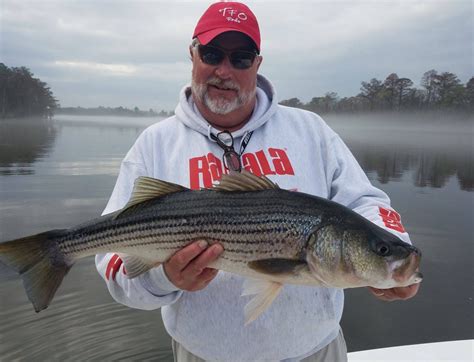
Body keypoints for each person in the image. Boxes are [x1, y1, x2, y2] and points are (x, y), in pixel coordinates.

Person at [96, 2, 420, 361]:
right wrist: (164, 279)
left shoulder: (309, 130)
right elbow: (115, 262)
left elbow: (364, 203)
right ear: (192, 54)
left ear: (257, 64)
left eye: (241, 58)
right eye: (212, 53)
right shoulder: (155, 145)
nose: (224, 70)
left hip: (315, 351)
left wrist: (386, 257)